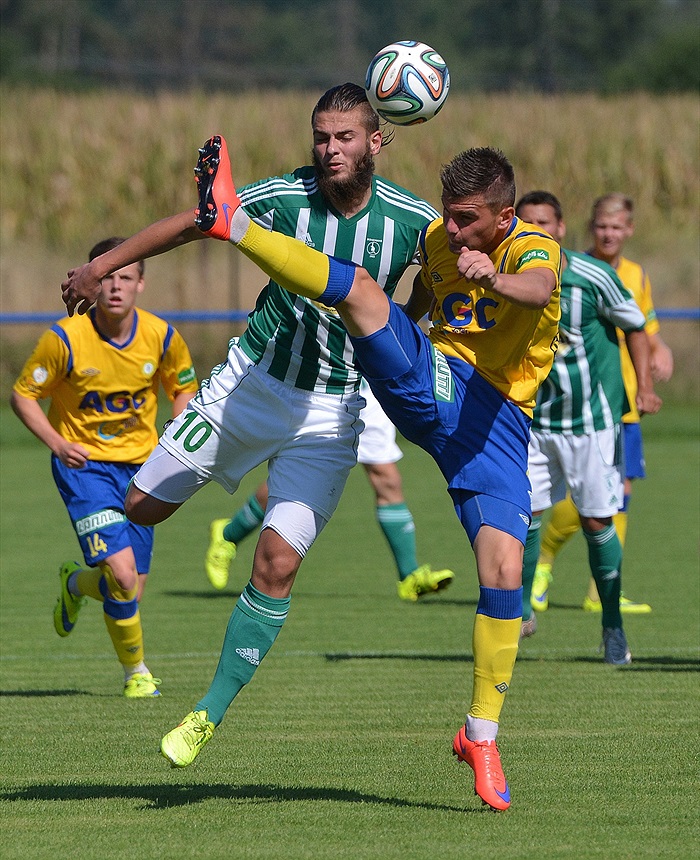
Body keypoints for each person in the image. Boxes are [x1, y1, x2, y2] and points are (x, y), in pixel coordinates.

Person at [61, 134, 563, 810]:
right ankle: (231, 218)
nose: (450, 226)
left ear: (504, 216)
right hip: (435, 379)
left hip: (498, 424)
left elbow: (539, 288)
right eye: (447, 211)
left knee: (504, 572)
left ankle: (480, 733)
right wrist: (389, 332)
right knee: (357, 288)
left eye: (467, 217)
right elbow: (412, 305)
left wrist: (492, 276)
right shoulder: (441, 241)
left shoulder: (532, 246)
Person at [59, 86, 452, 768]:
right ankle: (86, 580)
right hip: (250, 384)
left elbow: (439, 279)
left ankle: (206, 713)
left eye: (346, 138)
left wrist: (410, 323)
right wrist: (102, 264)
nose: (331, 149)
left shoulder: (413, 221)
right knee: (139, 508)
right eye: (322, 137)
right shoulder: (285, 195)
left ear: (377, 142)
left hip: (331, 414)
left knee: (277, 563)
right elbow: (197, 221)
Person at [12, 237, 197, 696]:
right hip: (85, 467)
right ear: (92, 283)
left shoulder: (162, 336)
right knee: (123, 575)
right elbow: (23, 395)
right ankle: (136, 674)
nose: (116, 286)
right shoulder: (66, 338)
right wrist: (56, 442)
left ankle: (74, 584)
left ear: (141, 285)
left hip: (142, 471)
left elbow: (182, 387)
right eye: (108, 276)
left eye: (126, 277)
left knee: (127, 589)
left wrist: (178, 428)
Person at [514, 191, 662, 654]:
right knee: (523, 516)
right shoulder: (503, 278)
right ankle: (520, 612)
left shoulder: (591, 276)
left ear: (560, 228)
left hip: (591, 423)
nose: (536, 231)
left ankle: (612, 624)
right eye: (527, 223)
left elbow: (635, 326)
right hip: (533, 421)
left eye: (545, 223)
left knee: (598, 520)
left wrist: (644, 387)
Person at [205, 378, 454, 600]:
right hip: (325, 393)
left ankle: (409, 575)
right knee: (292, 481)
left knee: (387, 479)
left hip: (368, 391)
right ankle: (228, 535)